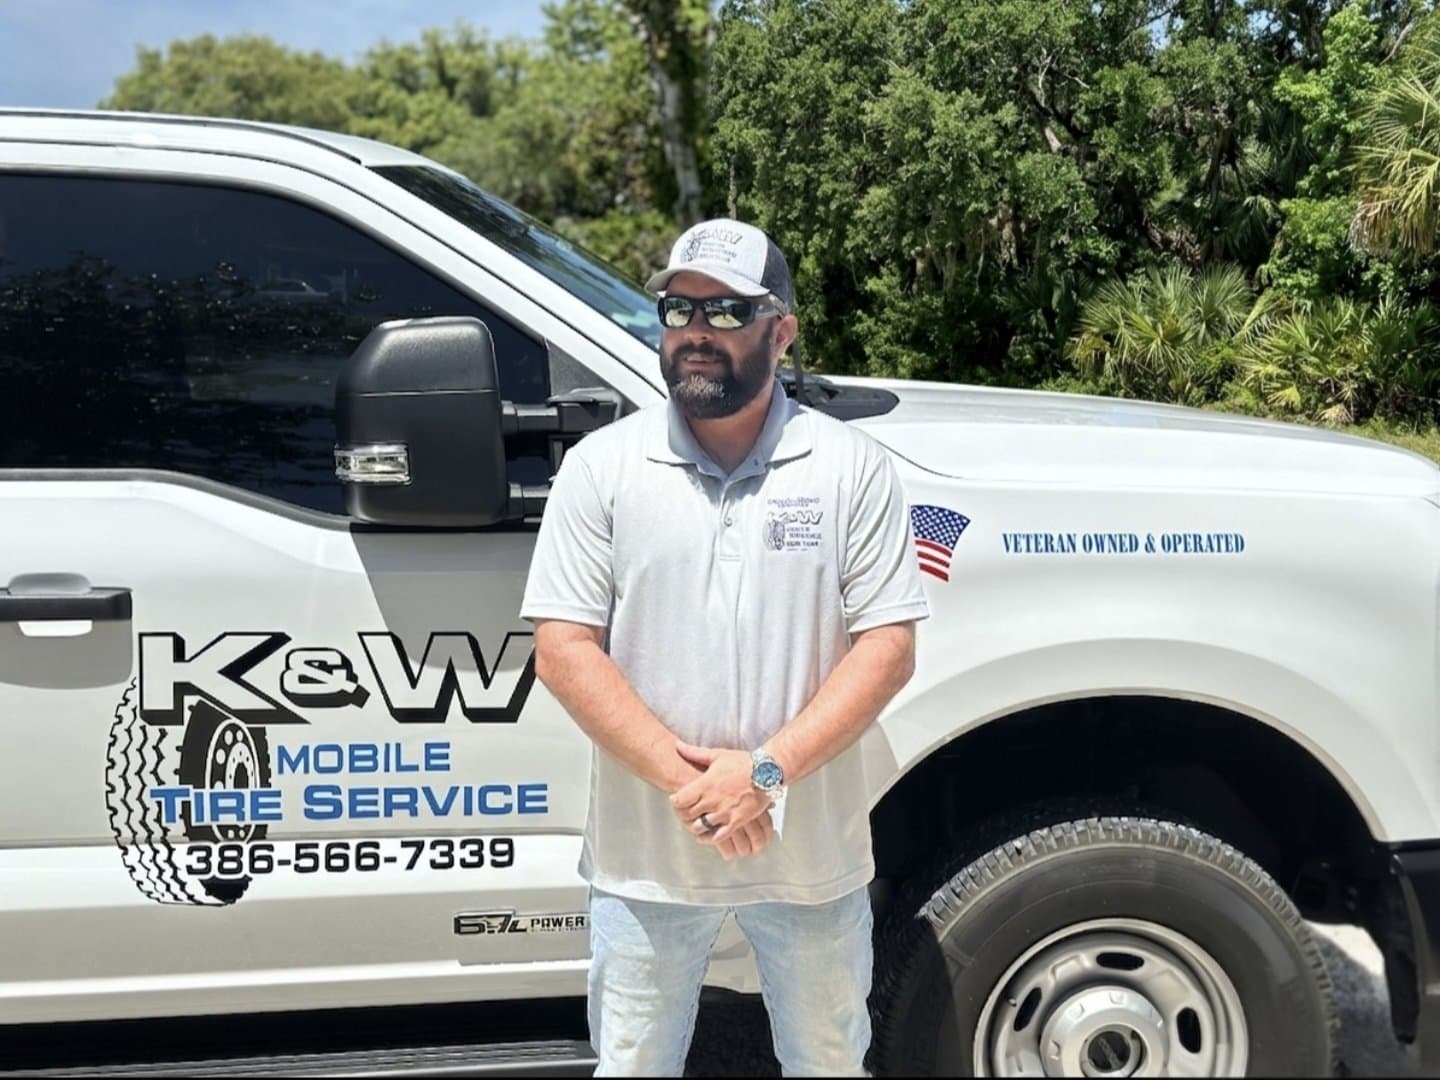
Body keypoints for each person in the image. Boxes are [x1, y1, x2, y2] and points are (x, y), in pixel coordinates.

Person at [520, 218, 930, 1077]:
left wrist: (766, 774)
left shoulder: (850, 467)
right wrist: (698, 788)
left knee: (827, 1063)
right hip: (647, 863)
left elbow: (887, 647)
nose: (697, 332)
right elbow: (563, 649)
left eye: (727, 310)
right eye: (679, 309)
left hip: (812, 861)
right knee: (633, 1067)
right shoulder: (603, 468)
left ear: (781, 331)